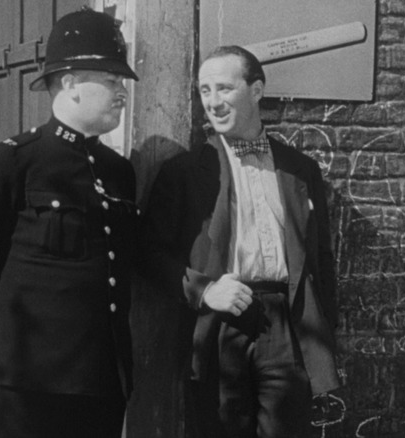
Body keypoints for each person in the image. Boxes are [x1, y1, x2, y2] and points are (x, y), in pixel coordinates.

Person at [0, 8, 139, 438]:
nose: (121, 91)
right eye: (110, 80)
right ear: (69, 82)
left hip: (99, 383)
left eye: (120, 82)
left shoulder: (118, 172)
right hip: (22, 384)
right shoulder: (15, 160)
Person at [141, 45, 341, 437]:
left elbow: (320, 257)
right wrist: (204, 290)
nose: (212, 103)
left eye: (224, 89)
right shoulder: (182, 173)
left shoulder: (300, 169)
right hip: (218, 325)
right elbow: (147, 253)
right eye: (204, 91)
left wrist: (323, 330)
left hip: (285, 325)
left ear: (256, 90)